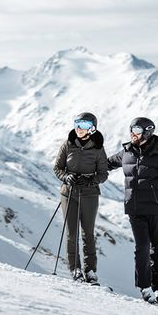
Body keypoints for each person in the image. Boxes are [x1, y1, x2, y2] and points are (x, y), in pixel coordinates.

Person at [107, 117, 158, 305]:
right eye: (131, 129)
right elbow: (106, 164)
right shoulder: (126, 153)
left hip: (157, 209)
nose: (133, 133)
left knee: (157, 251)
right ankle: (145, 288)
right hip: (135, 209)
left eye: (137, 130)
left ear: (147, 132)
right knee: (142, 248)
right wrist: (85, 170)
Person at [53, 112, 109, 283]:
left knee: (88, 234)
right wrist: (65, 177)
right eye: (77, 123)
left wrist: (90, 180)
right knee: (71, 233)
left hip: (89, 194)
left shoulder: (98, 148)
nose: (79, 128)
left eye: (84, 125)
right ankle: (75, 269)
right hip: (68, 193)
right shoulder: (67, 144)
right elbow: (57, 168)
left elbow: (103, 174)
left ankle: (90, 271)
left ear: (92, 128)